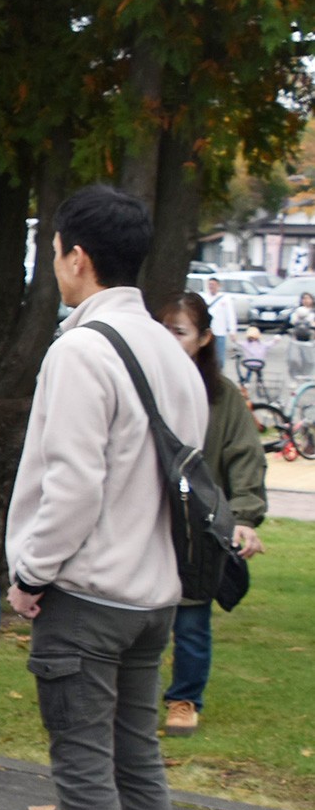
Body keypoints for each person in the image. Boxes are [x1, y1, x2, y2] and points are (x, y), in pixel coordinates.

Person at [4, 185, 206, 810]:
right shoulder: (168, 352)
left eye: (54, 251)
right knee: (136, 759)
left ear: (76, 257)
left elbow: (73, 487)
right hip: (155, 593)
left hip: (87, 594)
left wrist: (29, 574)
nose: (53, 263)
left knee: (85, 763)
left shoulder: (82, 351)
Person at [157, 293, 268, 737]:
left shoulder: (222, 399)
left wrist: (242, 518)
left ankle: (184, 699)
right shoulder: (143, 385)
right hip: (146, 525)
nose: (170, 340)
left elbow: (247, 460)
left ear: (204, 338)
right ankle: (131, 698)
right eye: (163, 330)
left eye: (180, 332)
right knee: (134, 619)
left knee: (191, 622)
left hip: (198, 532)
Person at [201, 276, 238, 367]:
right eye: (210, 284)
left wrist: (232, 331)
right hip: (207, 331)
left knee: (219, 357)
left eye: (213, 284)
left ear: (218, 286)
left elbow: (230, 315)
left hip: (220, 332)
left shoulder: (225, 299)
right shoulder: (204, 297)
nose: (211, 286)